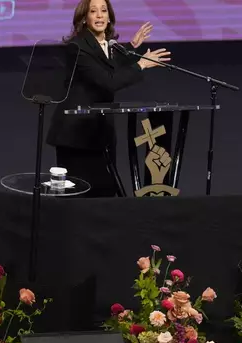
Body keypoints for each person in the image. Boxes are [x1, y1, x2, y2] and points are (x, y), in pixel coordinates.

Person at [46, 0, 171, 197]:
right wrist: (142, 65)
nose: (99, 15)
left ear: (110, 16)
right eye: (93, 11)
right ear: (84, 18)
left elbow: (110, 64)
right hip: (76, 136)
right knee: (79, 196)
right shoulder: (77, 47)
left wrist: (132, 46)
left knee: (105, 193)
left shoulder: (107, 46)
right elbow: (106, 80)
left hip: (99, 134)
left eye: (103, 11)